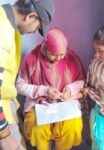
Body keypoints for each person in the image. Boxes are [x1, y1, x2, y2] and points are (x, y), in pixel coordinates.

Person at [16, 28, 85, 150]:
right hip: (38, 103)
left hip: (65, 102)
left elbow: (82, 82)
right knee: (38, 128)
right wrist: (44, 91)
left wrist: (69, 89)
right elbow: (20, 85)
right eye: (54, 54)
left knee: (72, 126)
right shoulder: (32, 59)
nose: (58, 58)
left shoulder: (71, 58)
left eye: (62, 54)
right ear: (45, 48)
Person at [0, 0, 54, 149]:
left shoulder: (9, 27)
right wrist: (3, 133)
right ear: (30, 16)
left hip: (7, 107)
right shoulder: (3, 28)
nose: (33, 31)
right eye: (37, 27)